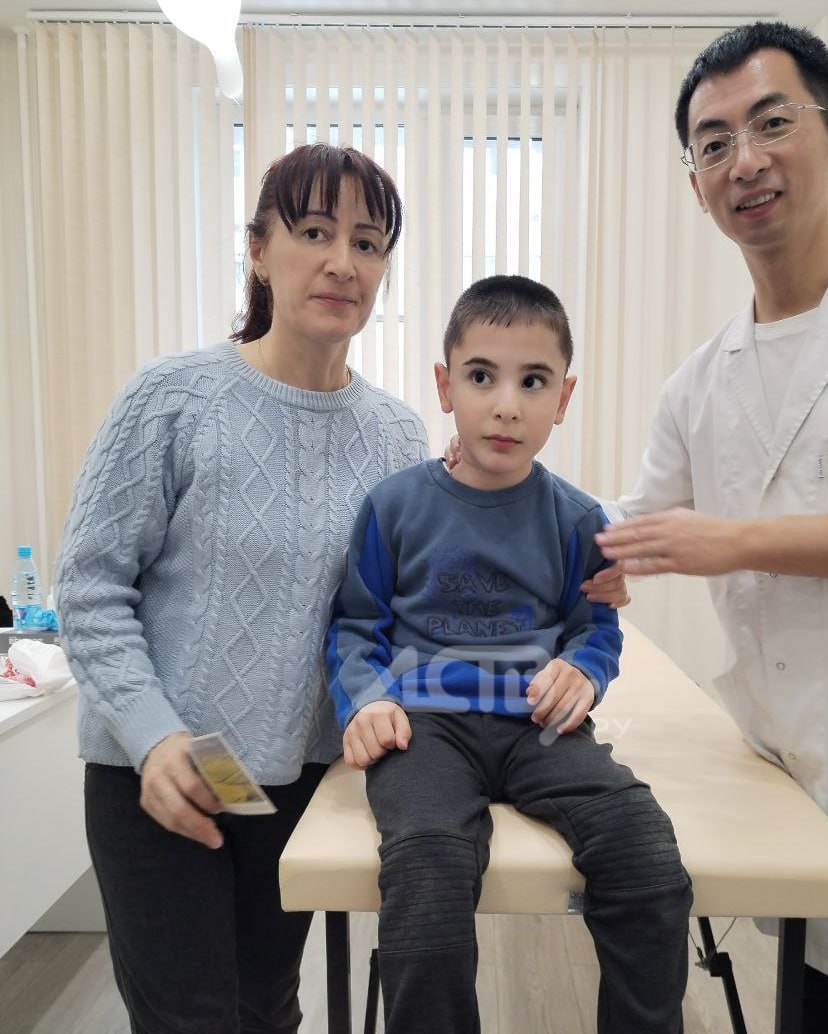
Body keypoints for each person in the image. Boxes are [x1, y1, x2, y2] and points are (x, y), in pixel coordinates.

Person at [593, 21, 828, 1033]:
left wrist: (735, 541)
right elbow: (634, 523)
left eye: (771, 123)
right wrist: (479, 517)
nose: (744, 161)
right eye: (713, 144)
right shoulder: (698, 382)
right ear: (696, 183)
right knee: (807, 998)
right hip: (783, 795)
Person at [54, 143, 432, 1034]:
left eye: (367, 242)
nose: (342, 262)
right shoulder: (173, 399)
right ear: (259, 249)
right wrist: (153, 737)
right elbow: (90, 586)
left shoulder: (397, 437)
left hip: (296, 779)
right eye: (315, 232)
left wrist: (569, 587)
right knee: (190, 1020)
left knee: (265, 1011)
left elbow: (406, 611)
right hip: (165, 770)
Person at [327, 274, 693, 1034]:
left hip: (541, 728)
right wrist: (366, 699)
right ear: (445, 386)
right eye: (481, 376)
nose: (506, 404)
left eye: (533, 381)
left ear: (564, 398)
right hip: (425, 730)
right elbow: (356, 627)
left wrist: (583, 669)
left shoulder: (578, 519)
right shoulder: (394, 507)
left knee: (647, 857)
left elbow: (596, 628)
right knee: (427, 871)